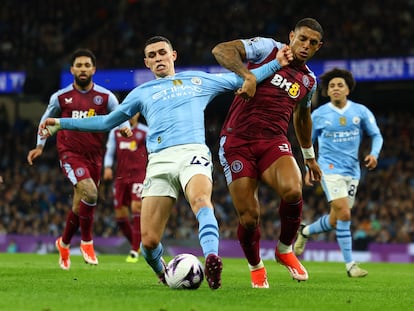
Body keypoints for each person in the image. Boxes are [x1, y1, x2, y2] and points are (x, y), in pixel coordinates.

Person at [38, 35, 293, 289]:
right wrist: (61, 123)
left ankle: (212, 258)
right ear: (146, 63)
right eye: (152, 55)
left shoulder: (198, 80)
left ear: (174, 55)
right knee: (148, 242)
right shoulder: (141, 93)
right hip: (159, 161)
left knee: (201, 200)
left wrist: (276, 63)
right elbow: (106, 122)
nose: (158, 58)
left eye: (162, 53)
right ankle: (164, 274)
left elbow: (241, 79)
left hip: (192, 152)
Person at [211, 17, 324, 288]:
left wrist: (309, 156)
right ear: (291, 36)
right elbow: (221, 50)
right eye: (302, 38)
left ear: (319, 47)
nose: (306, 45)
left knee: (294, 190)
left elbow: (302, 118)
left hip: (273, 142)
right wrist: (248, 75)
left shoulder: (309, 81)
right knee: (249, 218)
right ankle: (255, 266)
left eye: (313, 43)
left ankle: (284, 250)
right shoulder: (266, 48)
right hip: (237, 141)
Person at [27, 48, 130, 270]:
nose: (83, 69)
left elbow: (121, 114)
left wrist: (124, 128)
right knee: (91, 193)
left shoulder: (106, 97)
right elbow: (46, 121)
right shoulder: (61, 97)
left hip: (95, 155)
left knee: (78, 204)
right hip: (70, 153)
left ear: (93, 69)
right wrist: (39, 146)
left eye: (87, 65)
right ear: (72, 69)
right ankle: (87, 241)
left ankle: (63, 243)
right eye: (79, 65)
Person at [293, 68, 383, 277]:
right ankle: (351, 266)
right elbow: (307, 142)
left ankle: (305, 231)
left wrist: (374, 154)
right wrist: (309, 167)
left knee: (335, 220)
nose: (335, 88)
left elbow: (376, 135)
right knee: (345, 213)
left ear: (347, 90)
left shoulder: (360, 112)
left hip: (353, 171)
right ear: (327, 91)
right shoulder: (319, 114)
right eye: (332, 86)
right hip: (329, 168)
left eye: (339, 85)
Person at [103, 112, 148, 263]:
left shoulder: (145, 132)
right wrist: (108, 167)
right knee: (120, 217)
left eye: (134, 113)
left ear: (139, 114)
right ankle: (137, 244)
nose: (131, 116)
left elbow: (153, 150)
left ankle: (134, 250)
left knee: (137, 207)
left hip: (139, 176)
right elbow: (109, 152)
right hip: (121, 178)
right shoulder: (115, 131)